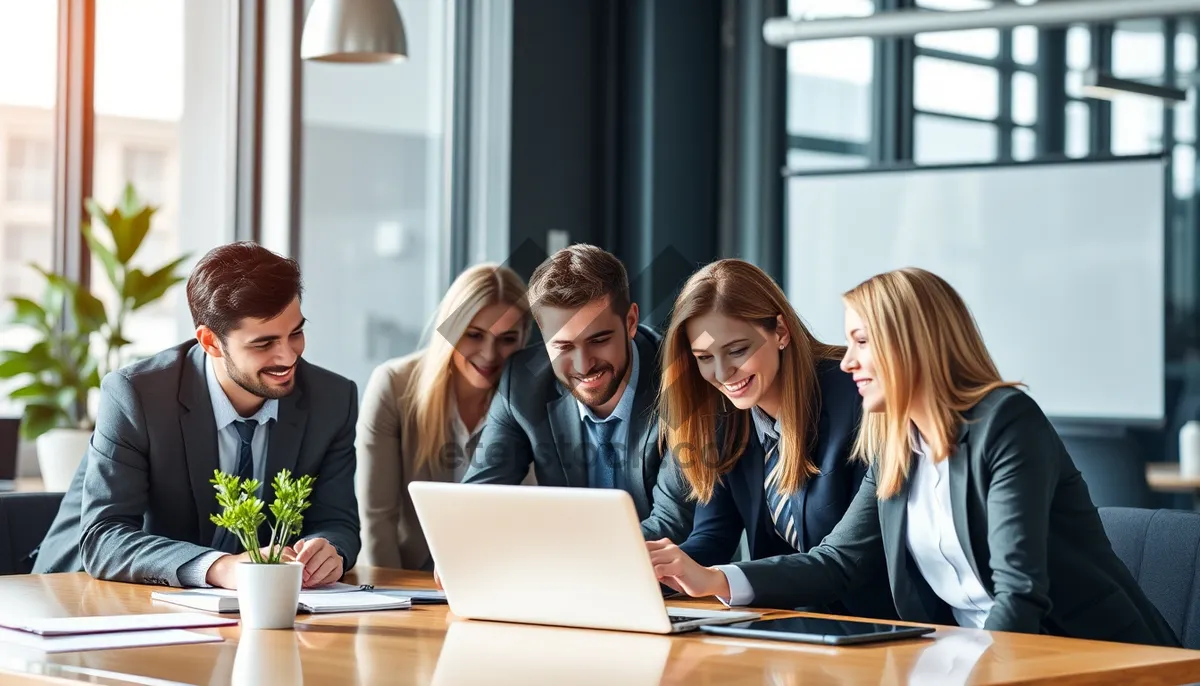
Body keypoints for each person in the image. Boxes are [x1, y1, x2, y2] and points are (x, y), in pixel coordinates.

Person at [647, 267, 1180, 646]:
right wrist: (718, 581)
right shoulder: (895, 440)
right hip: (962, 654)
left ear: (912, 343)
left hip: (1092, 656)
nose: (846, 360)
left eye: (861, 341)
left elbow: (1019, 595)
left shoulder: (1006, 421)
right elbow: (839, 561)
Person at [32, 242, 360, 589]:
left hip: (235, 612)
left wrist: (329, 550)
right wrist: (221, 568)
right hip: (86, 595)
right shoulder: (137, 395)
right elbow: (104, 537)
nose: (288, 356)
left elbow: (337, 520)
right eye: (263, 344)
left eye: (295, 333)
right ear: (210, 341)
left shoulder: (332, 400)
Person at [656, 259, 894, 619]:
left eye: (737, 350)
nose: (723, 374)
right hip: (797, 625)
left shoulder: (858, 399)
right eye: (705, 358)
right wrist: (657, 571)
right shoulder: (725, 418)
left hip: (879, 623)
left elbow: (849, 561)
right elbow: (713, 538)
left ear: (780, 331)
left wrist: (716, 579)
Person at [463, 244, 693, 543]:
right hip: (565, 578)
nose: (584, 366)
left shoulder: (682, 381)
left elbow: (670, 525)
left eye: (599, 339)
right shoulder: (521, 382)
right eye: (563, 347)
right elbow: (478, 500)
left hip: (668, 584)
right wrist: (461, 542)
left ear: (631, 322)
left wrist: (561, 555)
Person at [356, 264, 534, 570]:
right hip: (404, 577)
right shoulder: (393, 386)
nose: (490, 354)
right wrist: (390, 600)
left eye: (506, 339)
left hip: (496, 574)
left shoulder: (531, 398)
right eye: (474, 335)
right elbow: (377, 520)